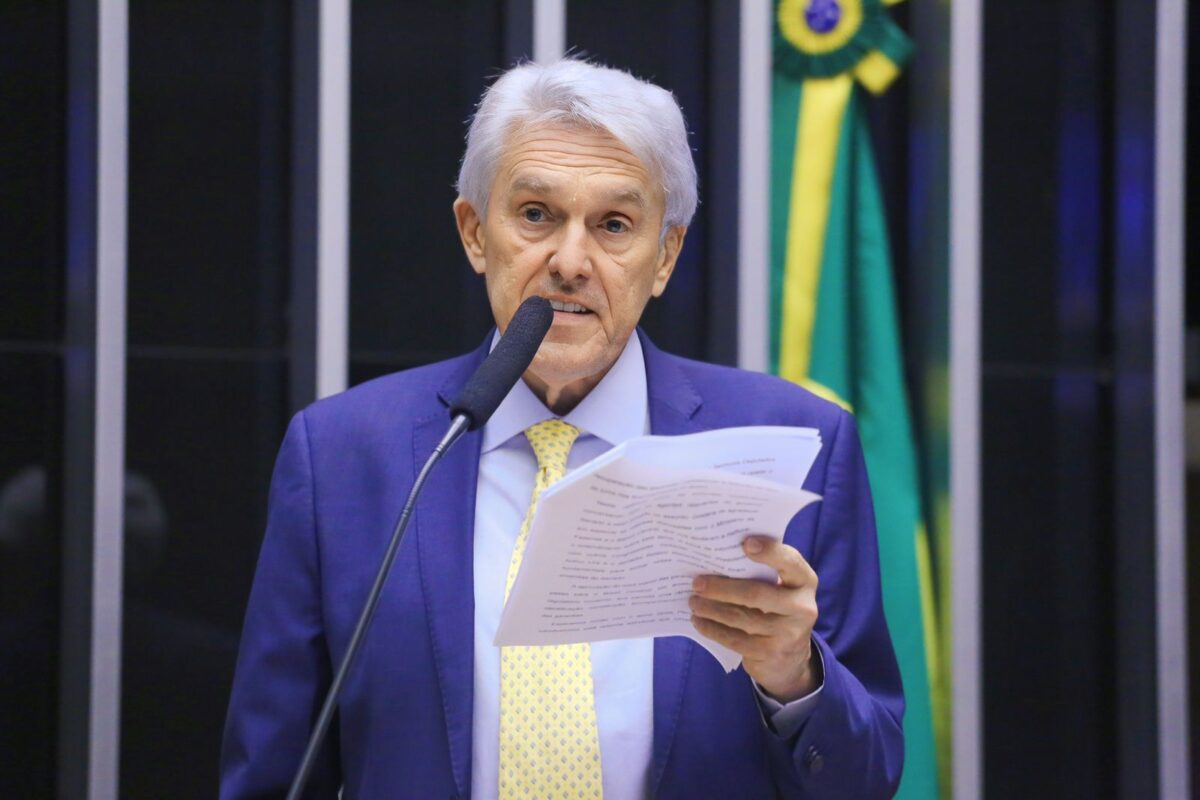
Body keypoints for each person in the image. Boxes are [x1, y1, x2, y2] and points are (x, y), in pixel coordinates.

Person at [220, 59, 904, 799]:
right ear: (475, 233)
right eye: (536, 215)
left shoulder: (798, 445)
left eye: (614, 225)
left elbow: (868, 779)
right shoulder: (343, 457)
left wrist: (794, 677)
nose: (571, 263)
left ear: (665, 255)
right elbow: (273, 774)